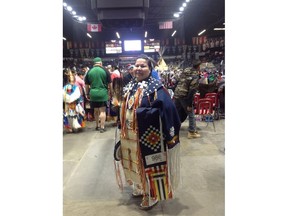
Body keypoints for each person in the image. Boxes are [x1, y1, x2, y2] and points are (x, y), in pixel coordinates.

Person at [114, 54, 181, 210]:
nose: (138, 68)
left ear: (150, 69)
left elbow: (170, 110)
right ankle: (139, 186)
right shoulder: (130, 86)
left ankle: (152, 194)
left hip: (149, 136)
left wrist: (142, 114)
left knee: (149, 163)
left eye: (143, 66)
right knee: (133, 161)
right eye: (136, 65)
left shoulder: (157, 88)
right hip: (130, 136)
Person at [174, 59, 201, 139]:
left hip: (177, 93)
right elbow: (192, 90)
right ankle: (191, 132)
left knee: (177, 113)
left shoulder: (185, 71)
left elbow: (177, 81)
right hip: (184, 96)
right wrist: (189, 104)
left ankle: (175, 128)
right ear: (199, 66)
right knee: (191, 114)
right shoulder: (195, 75)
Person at [85, 57, 112, 133]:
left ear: (94, 63)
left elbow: (86, 85)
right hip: (102, 93)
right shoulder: (105, 70)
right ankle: (102, 127)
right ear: (101, 63)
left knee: (95, 111)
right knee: (102, 111)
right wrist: (111, 93)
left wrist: (87, 93)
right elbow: (110, 84)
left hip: (93, 93)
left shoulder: (89, 71)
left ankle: (97, 125)